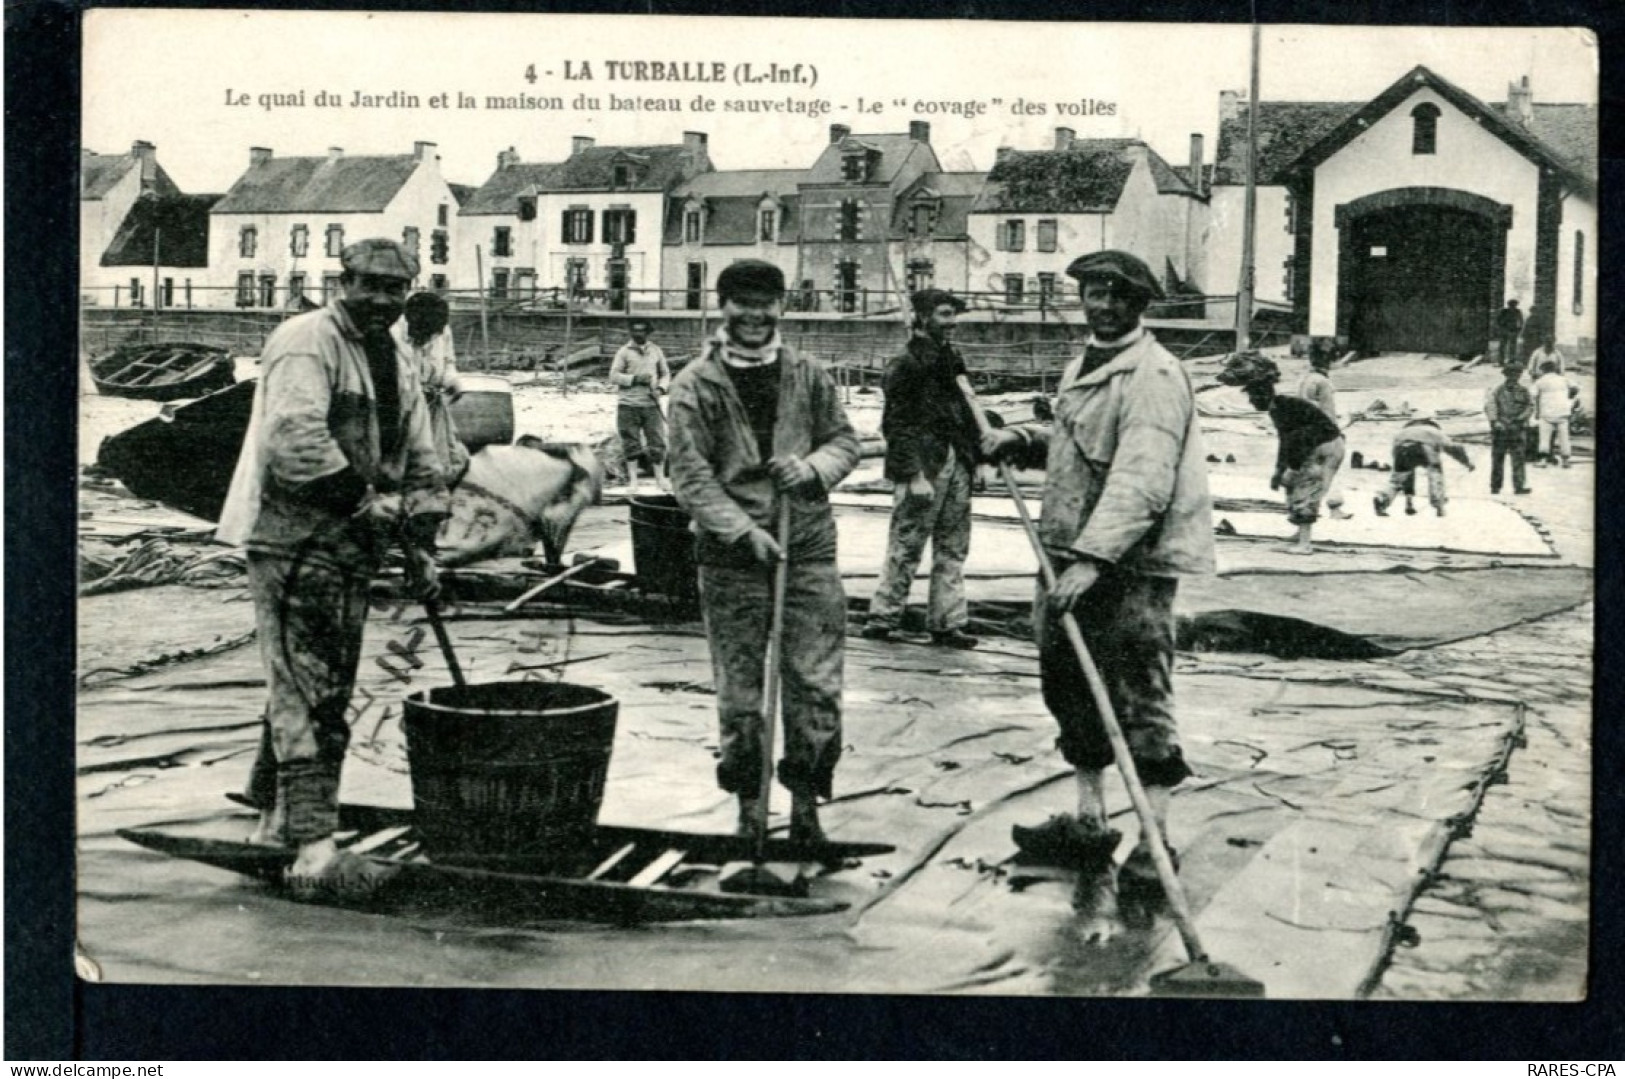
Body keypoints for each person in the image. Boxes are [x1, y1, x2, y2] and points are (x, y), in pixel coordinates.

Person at [980, 251, 1214, 939]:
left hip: (1128, 562)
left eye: (1117, 295)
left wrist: (1092, 560)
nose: (1103, 304)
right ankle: (1088, 821)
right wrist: (1020, 438)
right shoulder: (1084, 362)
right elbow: (1079, 441)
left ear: (1140, 303)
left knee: (1138, 692)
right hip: (1068, 550)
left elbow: (1142, 478)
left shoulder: (1155, 375)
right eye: (1092, 292)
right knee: (1069, 685)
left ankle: (1153, 840)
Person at [216, 239, 448, 893]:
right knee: (313, 691)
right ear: (341, 282)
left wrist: (424, 538)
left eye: (394, 288)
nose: (381, 300)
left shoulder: (396, 354)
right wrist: (362, 499)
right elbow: (294, 438)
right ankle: (313, 844)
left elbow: (420, 451)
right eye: (368, 285)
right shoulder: (304, 340)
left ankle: (271, 818)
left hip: (350, 546)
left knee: (309, 681)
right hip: (293, 541)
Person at [666, 260, 861, 843]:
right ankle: (749, 812)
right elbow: (690, 475)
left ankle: (806, 809)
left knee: (815, 684)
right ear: (721, 306)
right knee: (742, 693)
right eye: (740, 302)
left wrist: (811, 469)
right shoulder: (694, 384)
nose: (754, 315)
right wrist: (739, 530)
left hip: (806, 549)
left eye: (765, 302)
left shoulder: (809, 374)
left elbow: (844, 441)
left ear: (783, 306)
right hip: (733, 558)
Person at [860, 289, 982, 648]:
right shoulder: (906, 365)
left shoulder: (951, 359)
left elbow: (965, 413)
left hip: (955, 460)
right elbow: (897, 426)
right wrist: (913, 475)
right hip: (925, 466)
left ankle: (947, 622)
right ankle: (882, 618)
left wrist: (975, 462)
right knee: (906, 543)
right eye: (944, 315)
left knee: (953, 547)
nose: (952, 322)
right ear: (924, 317)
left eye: (953, 315)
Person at [1219, 353, 1348, 555]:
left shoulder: (1285, 407)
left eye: (1253, 398)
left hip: (1326, 446)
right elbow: (1285, 441)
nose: (1252, 403)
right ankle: (1300, 533)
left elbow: (1297, 439)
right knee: (1292, 483)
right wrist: (1279, 472)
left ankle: (1305, 544)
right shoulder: (1280, 407)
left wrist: (1292, 468)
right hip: (1320, 444)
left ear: (1262, 396)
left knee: (1306, 484)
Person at [391, 291, 468, 486]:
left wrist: (451, 380)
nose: (429, 339)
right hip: (403, 407)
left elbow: (448, 361)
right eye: (425, 336)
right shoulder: (393, 333)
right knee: (405, 460)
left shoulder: (441, 328)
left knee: (443, 457)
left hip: (434, 405)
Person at [608, 319, 672, 486]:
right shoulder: (624, 352)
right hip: (628, 405)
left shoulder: (656, 351)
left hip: (651, 405)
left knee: (657, 442)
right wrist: (635, 379)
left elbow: (665, 374)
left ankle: (660, 479)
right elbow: (613, 376)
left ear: (648, 332)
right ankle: (634, 480)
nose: (638, 334)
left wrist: (660, 389)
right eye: (634, 330)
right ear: (631, 333)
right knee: (631, 443)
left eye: (642, 330)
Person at [1294, 341, 1353, 520]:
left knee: (1316, 476)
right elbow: (1320, 410)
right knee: (1326, 474)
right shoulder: (1321, 382)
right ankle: (1328, 509)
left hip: (1310, 433)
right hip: (1323, 435)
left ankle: (1329, 508)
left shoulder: (1307, 379)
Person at [1372, 416, 1475, 517]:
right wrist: (1467, 463)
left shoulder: (1401, 433)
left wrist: (1408, 494)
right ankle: (1439, 505)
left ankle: (1382, 499)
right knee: (1435, 474)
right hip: (1424, 450)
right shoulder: (1434, 431)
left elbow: (1394, 454)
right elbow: (1455, 448)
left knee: (1396, 480)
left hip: (1402, 450)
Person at [1484, 362, 1534, 495]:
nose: (1514, 377)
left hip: (1517, 429)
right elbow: (1490, 406)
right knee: (1497, 459)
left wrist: (1521, 418)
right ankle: (1495, 486)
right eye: (1511, 374)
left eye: (1517, 374)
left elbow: (1530, 406)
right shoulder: (1497, 390)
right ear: (1505, 375)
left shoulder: (1524, 391)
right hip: (1501, 429)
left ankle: (1519, 486)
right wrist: (1495, 422)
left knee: (1519, 458)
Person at [1532, 360, 1574, 468]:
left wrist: (1536, 411)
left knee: (1544, 437)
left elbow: (1533, 395)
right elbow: (1576, 388)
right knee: (1564, 437)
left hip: (1546, 412)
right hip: (1563, 412)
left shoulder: (1540, 381)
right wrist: (1569, 398)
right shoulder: (1564, 379)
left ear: (1543, 370)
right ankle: (1565, 460)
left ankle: (1543, 460)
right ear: (1555, 369)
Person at [1494, 299, 1524, 364]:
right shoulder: (1504, 311)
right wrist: (1501, 328)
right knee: (1502, 346)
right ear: (1509, 305)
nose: (1513, 306)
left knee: (1512, 347)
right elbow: (1498, 320)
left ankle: (1512, 360)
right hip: (1504, 330)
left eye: (1514, 305)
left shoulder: (1517, 311)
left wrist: (1519, 329)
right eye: (1511, 304)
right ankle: (1501, 360)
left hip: (1513, 331)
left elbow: (1521, 321)